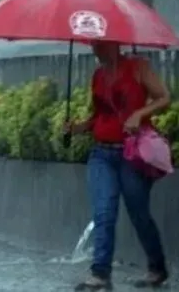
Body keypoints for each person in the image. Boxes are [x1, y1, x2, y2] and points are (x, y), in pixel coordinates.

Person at [67, 42, 170, 291]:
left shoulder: (137, 67)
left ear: (114, 43)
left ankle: (157, 268)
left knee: (139, 214)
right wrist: (79, 127)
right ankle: (100, 273)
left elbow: (164, 97)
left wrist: (140, 114)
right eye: (93, 45)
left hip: (131, 153)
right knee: (104, 212)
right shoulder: (98, 75)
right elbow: (98, 116)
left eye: (100, 45)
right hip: (101, 154)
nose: (95, 49)